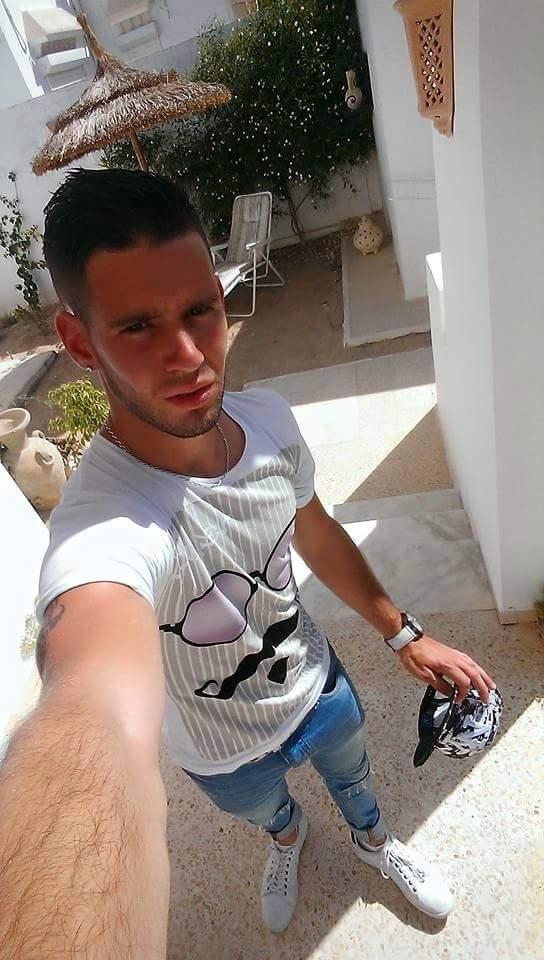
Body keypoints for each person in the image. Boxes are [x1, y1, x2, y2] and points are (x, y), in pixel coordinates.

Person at [0, 169, 495, 958]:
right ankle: (287, 839)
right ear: (79, 342)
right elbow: (91, 713)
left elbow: (315, 533)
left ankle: (373, 840)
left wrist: (406, 634)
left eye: (200, 309)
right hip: (221, 755)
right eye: (138, 326)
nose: (189, 355)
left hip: (318, 689)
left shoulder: (268, 422)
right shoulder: (103, 531)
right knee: (271, 813)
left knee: (357, 781)